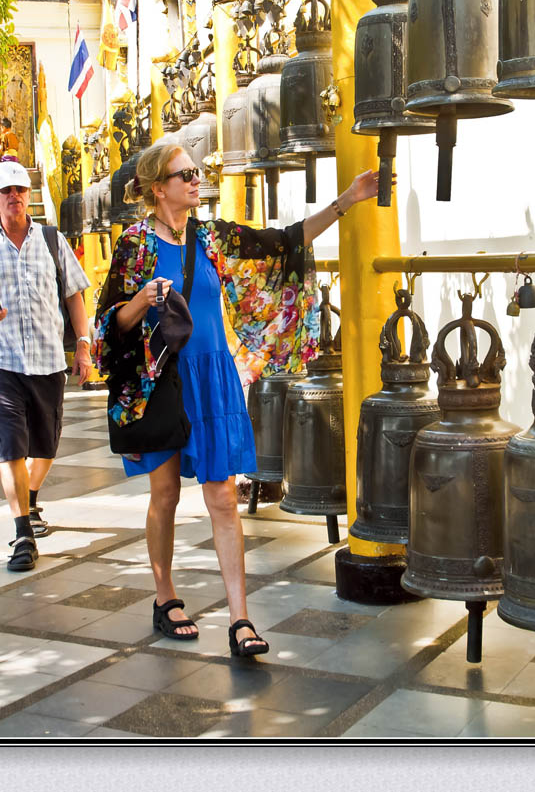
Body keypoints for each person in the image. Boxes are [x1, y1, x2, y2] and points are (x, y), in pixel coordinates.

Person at [94, 144, 383, 658]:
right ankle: (165, 599)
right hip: (161, 383)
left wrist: (348, 200)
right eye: (185, 174)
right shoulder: (134, 247)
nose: (195, 181)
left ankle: (240, 619)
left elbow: (282, 244)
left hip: (213, 381)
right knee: (164, 495)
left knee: (224, 498)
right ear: (158, 188)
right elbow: (109, 326)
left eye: (197, 173)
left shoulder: (211, 238)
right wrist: (142, 299)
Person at [0, 159, 92, 572]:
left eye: (20, 190)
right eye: (5, 191)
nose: (14, 198)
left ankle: (32, 498)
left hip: (46, 360)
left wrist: (82, 346)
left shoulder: (51, 240)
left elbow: (75, 294)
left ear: (28, 195)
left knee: (46, 446)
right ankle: (22, 532)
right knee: (11, 446)